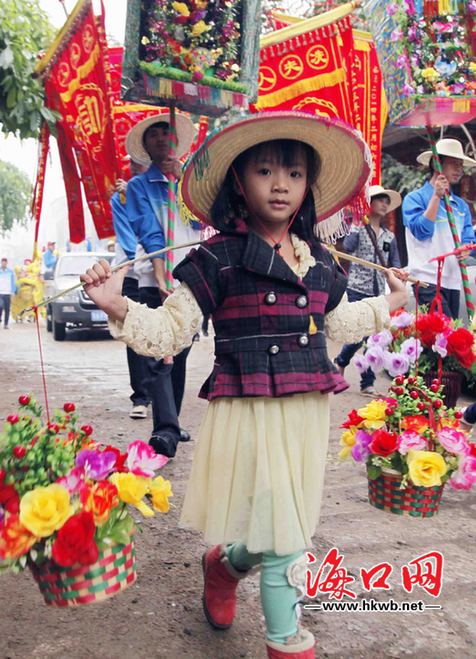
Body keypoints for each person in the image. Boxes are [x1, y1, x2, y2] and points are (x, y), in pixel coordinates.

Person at [80, 111, 409, 659]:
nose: (281, 184)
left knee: (278, 528)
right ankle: (288, 643)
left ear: (308, 186)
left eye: (295, 174)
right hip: (248, 410)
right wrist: (116, 303)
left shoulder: (319, 259)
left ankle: (224, 565)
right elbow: (169, 331)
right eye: (265, 171)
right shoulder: (216, 257)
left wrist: (391, 303)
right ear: (239, 179)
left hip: (305, 413)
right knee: (287, 545)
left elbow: (337, 325)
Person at [123, 113, 201, 456]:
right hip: (154, 278)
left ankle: (174, 421)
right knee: (158, 352)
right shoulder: (139, 187)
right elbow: (148, 231)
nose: (160, 139)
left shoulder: (193, 182)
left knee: (181, 351)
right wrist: (159, 271)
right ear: (146, 147)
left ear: (176, 142)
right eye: (153, 136)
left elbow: (202, 220)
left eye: (165, 133)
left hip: (190, 276)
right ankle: (164, 429)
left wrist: (184, 180)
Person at [334, 184, 402, 395]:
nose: (384, 204)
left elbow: (395, 263)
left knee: (372, 339)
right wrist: (357, 222)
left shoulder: (389, 237)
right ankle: (345, 362)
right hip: (356, 288)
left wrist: (398, 276)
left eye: (386, 201)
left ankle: (364, 380)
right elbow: (348, 246)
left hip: (378, 291)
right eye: (380, 200)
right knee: (358, 334)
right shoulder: (359, 228)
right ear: (370, 204)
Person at [402, 138, 476, 319]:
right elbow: (422, 231)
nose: (459, 169)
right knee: (444, 334)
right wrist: (436, 197)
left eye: (460, 164)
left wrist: (466, 250)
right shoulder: (415, 199)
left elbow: (468, 239)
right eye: (453, 164)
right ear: (437, 164)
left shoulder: (460, 206)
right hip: (426, 280)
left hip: (453, 280)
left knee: (447, 341)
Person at [110, 159, 150, 420]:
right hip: (132, 273)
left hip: (160, 274)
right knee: (134, 333)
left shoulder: (163, 190)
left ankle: (162, 392)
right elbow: (126, 239)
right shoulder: (121, 196)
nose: (136, 163)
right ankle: (141, 397)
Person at [0, 258, 16, 329]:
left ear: (6, 263)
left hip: (7, 293)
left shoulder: (10, 272)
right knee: (0, 307)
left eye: (5, 262)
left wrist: (13, 291)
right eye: (2, 262)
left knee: (7, 309)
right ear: (1, 263)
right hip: (0, 293)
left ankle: (6, 324)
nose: (4, 264)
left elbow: (13, 282)